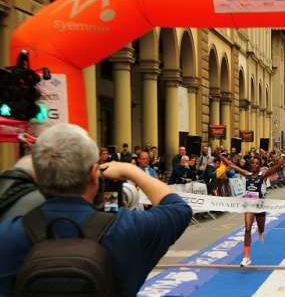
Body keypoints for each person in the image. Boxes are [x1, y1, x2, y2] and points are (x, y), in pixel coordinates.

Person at [0, 123, 192, 296]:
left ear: (36, 178)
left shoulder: (8, 234)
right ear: (94, 175)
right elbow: (178, 208)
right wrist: (129, 170)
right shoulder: (127, 229)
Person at [221, 155, 285, 266]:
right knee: (247, 229)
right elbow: (232, 165)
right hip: (249, 206)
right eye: (253, 163)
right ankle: (246, 258)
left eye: (257, 163)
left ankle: (260, 232)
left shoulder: (263, 174)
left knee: (261, 228)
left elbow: (276, 167)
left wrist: (280, 161)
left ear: (260, 166)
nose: (254, 165)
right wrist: (221, 156)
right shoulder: (247, 174)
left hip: (260, 206)